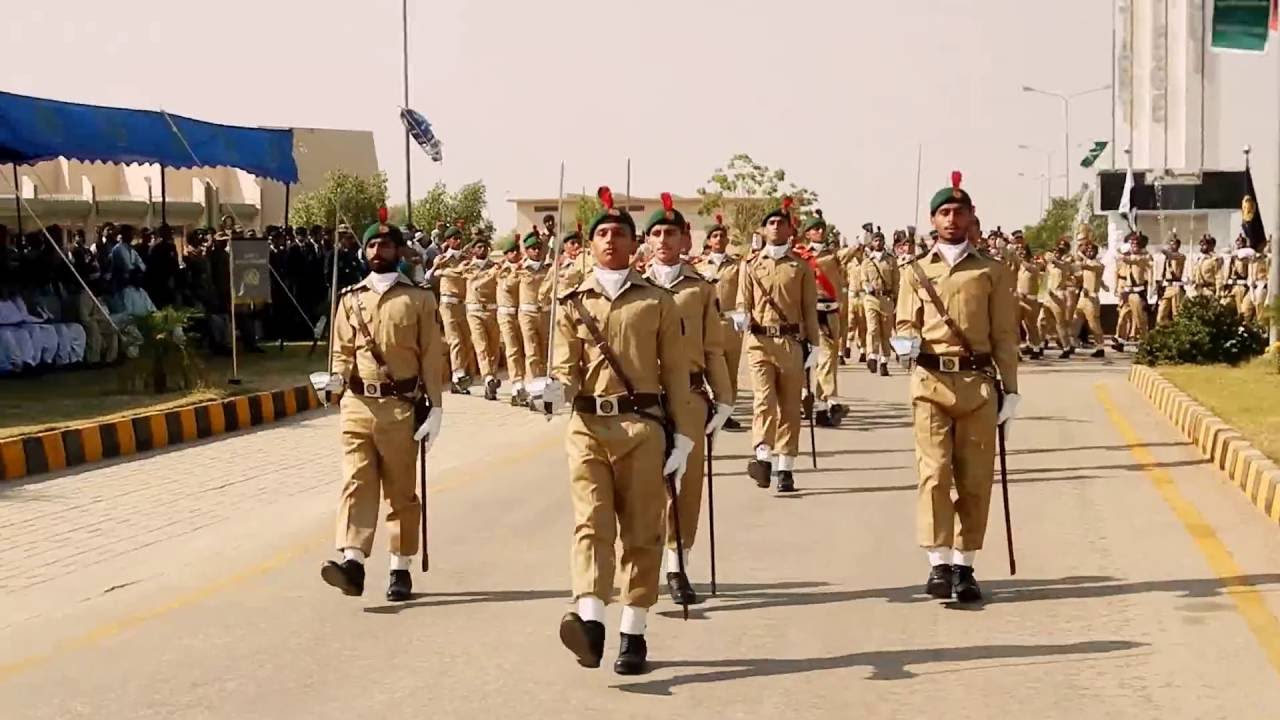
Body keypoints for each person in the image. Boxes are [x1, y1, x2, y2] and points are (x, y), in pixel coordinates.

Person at [541, 186, 697, 676]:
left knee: (641, 530)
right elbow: (566, 367)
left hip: (642, 426)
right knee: (591, 523)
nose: (610, 241)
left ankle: (634, 629)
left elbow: (675, 372)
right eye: (602, 234)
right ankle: (591, 622)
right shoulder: (570, 302)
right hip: (587, 424)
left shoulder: (658, 301)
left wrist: (685, 436)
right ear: (589, 245)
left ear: (637, 247)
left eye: (620, 234)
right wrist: (552, 387)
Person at [893, 177, 1019, 604]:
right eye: (944, 213)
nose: (952, 219)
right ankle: (938, 562)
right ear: (933, 220)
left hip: (978, 383)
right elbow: (905, 322)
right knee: (934, 472)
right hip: (930, 381)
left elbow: (1004, 333)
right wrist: (905, 340)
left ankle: (965, 565)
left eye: (959, 212)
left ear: (971, 218)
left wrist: (1011, 389)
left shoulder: (992, 270)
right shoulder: (914, 271)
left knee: (975, 476)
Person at [320, 212, 444, 603]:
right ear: (364, 251)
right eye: (372, 245)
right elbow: (341, 351)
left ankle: (399, 566)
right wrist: (335, 381)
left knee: (401, 491)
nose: (378, 251)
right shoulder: (350, 299)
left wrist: (436, 408)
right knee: (356, 481)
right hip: (357, 403)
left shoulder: (420, 299)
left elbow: (431, 356)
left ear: (400, 251)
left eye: (386, 245)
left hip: (399, 406)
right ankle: (352, 561)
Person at [641, 195, 733, 607]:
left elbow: (714, 347)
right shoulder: (632, 286)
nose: (663, 240)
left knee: (686, 484)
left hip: (691, 396)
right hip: (642, 398)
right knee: (642, 485)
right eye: (656, 233)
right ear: (645, 241)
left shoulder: (700, 289)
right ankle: (641, 564)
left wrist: (725, 398)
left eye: (671, 234)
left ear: (685, 241)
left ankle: (678, 564)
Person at [737, 198, 821, 493]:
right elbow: (742, 303)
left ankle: (786, 466)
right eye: (770, 223)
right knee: (764, 400)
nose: (775, 227)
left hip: (790, 342)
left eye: (781, 223)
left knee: (789, 406)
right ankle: (762, 456)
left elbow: (810, 309)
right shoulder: (749, 266)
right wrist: (741, 319)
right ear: (763, 229)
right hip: (759, 341)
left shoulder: (800, 267)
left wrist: (816, 346)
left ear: (790, 231)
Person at [694, 215, 745, 430]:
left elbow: (743, 291)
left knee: (730, 371)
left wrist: (742, 313)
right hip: (707, 324)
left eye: (722, 236)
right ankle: (712, 409)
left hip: (729, 322)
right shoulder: (698, 267)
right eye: (715, 236)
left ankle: (727, 412)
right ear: (708, 241)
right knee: (708, 370)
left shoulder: (737, 265)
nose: (719, 239)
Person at [795, 211, 847, 425]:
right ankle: (820, 401)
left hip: (831, 311)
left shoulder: (832, 255)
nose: (820, 232)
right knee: (809, 359)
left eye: (822, 228)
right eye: (815, 229)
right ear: (807, 233)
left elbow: (851, 254)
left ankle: (824, 405)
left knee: (829, 358)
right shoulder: (799, 256)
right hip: (810, 312)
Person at [429, 225, 476, 393]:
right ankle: (458, 375)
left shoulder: (465, 258)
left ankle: (460, 376)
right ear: (447, 241)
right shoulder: (442, 259)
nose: (457, 241)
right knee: (454, 339)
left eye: (459, 238)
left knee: (465, 340)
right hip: (448, 304)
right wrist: (438, 268)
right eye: (454, 238)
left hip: (463, 304)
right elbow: (430, 277)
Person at [463, 234, 503, 401]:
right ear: (473, 250)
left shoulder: (495, 266)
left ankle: (491, 379)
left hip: (492, 311)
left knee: (494, 348)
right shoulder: (468, 267)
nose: (482, 250)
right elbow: (475, 281)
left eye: (485, 247)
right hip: (475, 312)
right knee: (482, 346)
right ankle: (488, 377)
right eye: (478, 247)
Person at [517, 230, 552, 399]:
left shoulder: (549, 269)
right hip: (528, 315)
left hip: (545, 314)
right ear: (527, 251)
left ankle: (543, 386)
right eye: (532, 248)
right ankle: (532, 389)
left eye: (539, 248)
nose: (536, 251)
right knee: (531, 351)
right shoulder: (520, 269)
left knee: (545, 352)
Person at [860, 231, 897, 377]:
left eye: (881, 240)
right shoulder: (867, 261)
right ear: (872, 243)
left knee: (885, 333)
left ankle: (884, 361)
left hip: (886, 299)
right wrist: (866, 286)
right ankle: (872, 356)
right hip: (871, 299)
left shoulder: (891, 261)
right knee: (873, 328)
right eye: (875, 240)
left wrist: (895, 297)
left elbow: (896, 280)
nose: (878, 242)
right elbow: (863, 279)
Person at [496, 234, 528, 406]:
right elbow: (507, 285)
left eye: (517, 251)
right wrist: (517, 271)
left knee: (527, 350)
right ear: (506, 254)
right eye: (512, 252)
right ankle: (517, 384)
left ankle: (528, 383)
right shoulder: (504, 270)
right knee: (513, 349)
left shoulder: (524, 267)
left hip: (521, 314)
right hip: (506, 314)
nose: (516, 254)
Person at [1113, 232, 1153, 351]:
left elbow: (1129, 260)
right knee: (1123, 316)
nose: (1133, 246)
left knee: (1140, 319)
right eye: (1132, 244)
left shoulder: (1143, 257)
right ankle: (1120, 340)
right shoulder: (1129, 255)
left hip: (1137, 292)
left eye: (1136, 244)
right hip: (1127, 291)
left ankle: (1144, 342)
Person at [1042, 238, 1077, 358]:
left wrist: (1053, 259)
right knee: (1041, 321)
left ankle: (1066, 347)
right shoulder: (1050, 265)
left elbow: (1062, 265)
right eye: (1055, 251)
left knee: (1060, 323)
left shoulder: (1065, 263)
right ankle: (1040, 345)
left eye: (1059, 252)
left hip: (1058, 294)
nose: (1056, 254)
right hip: (1047, 294)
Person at [1073, 241, 1108, 358]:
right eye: (1087, 250)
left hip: (1092, 298)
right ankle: (1071, 345)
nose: (1089, 252)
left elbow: (1088, 266)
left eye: (1091, 250)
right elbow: (1081, 275)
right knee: (1076, 321)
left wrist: (1079, 254)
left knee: (1094, 324)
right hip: (1083, 297)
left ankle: (1100, 347)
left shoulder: (1098, 265)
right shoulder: (1087, 264)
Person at [839, 238, 867, 363]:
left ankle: (863, 351)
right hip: (851, 295)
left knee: (863, 324)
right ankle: (847, 347)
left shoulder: (867, 263)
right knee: (850, 323)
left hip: (863, 295)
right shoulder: (849, 264)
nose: (859, 251)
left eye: (861, 249)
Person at [1014, 244, 1044, 359]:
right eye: (1019, 250)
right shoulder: (1019, 266)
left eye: (1023, 250)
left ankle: (1036, 348)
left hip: (1031, 300)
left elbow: (1032, 269)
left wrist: (1019, 259)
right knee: (1015, 325)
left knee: (1031, 326)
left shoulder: (1033, 265)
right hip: (1020, 299)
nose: (1021, 252)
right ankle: (1016, 351)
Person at [1156, 234, 1188, 326]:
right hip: (1168, 287)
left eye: (1173, 244)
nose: (1171, 246)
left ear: (1178, 246)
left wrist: (1163, 248)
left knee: (1177, 313)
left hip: (1176, 287)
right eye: (1170, 244)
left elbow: (1170, 255)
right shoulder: (1167, 259)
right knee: (1161, 312)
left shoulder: (1180, 256)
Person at [1226, 235, 1258, 321]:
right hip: (1233, 286)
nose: (1239, 244)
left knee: (1243, 313)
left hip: (1244, 287)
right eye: (1238, 242)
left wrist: (1239, 260)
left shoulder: (1247, 255)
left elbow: (1243, 272)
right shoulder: (1234, 256)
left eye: (1241, 242)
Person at [1189, 234, 1223, 300]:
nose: (1202, 247)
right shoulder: (1198, 259)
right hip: (1197, 291)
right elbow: (1194, 274)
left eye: (1204, 245)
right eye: (1201, 245)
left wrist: (1218, 293)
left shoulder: (1214, 260)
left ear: (1210, 246)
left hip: (1209, 291)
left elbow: (1219, 277)